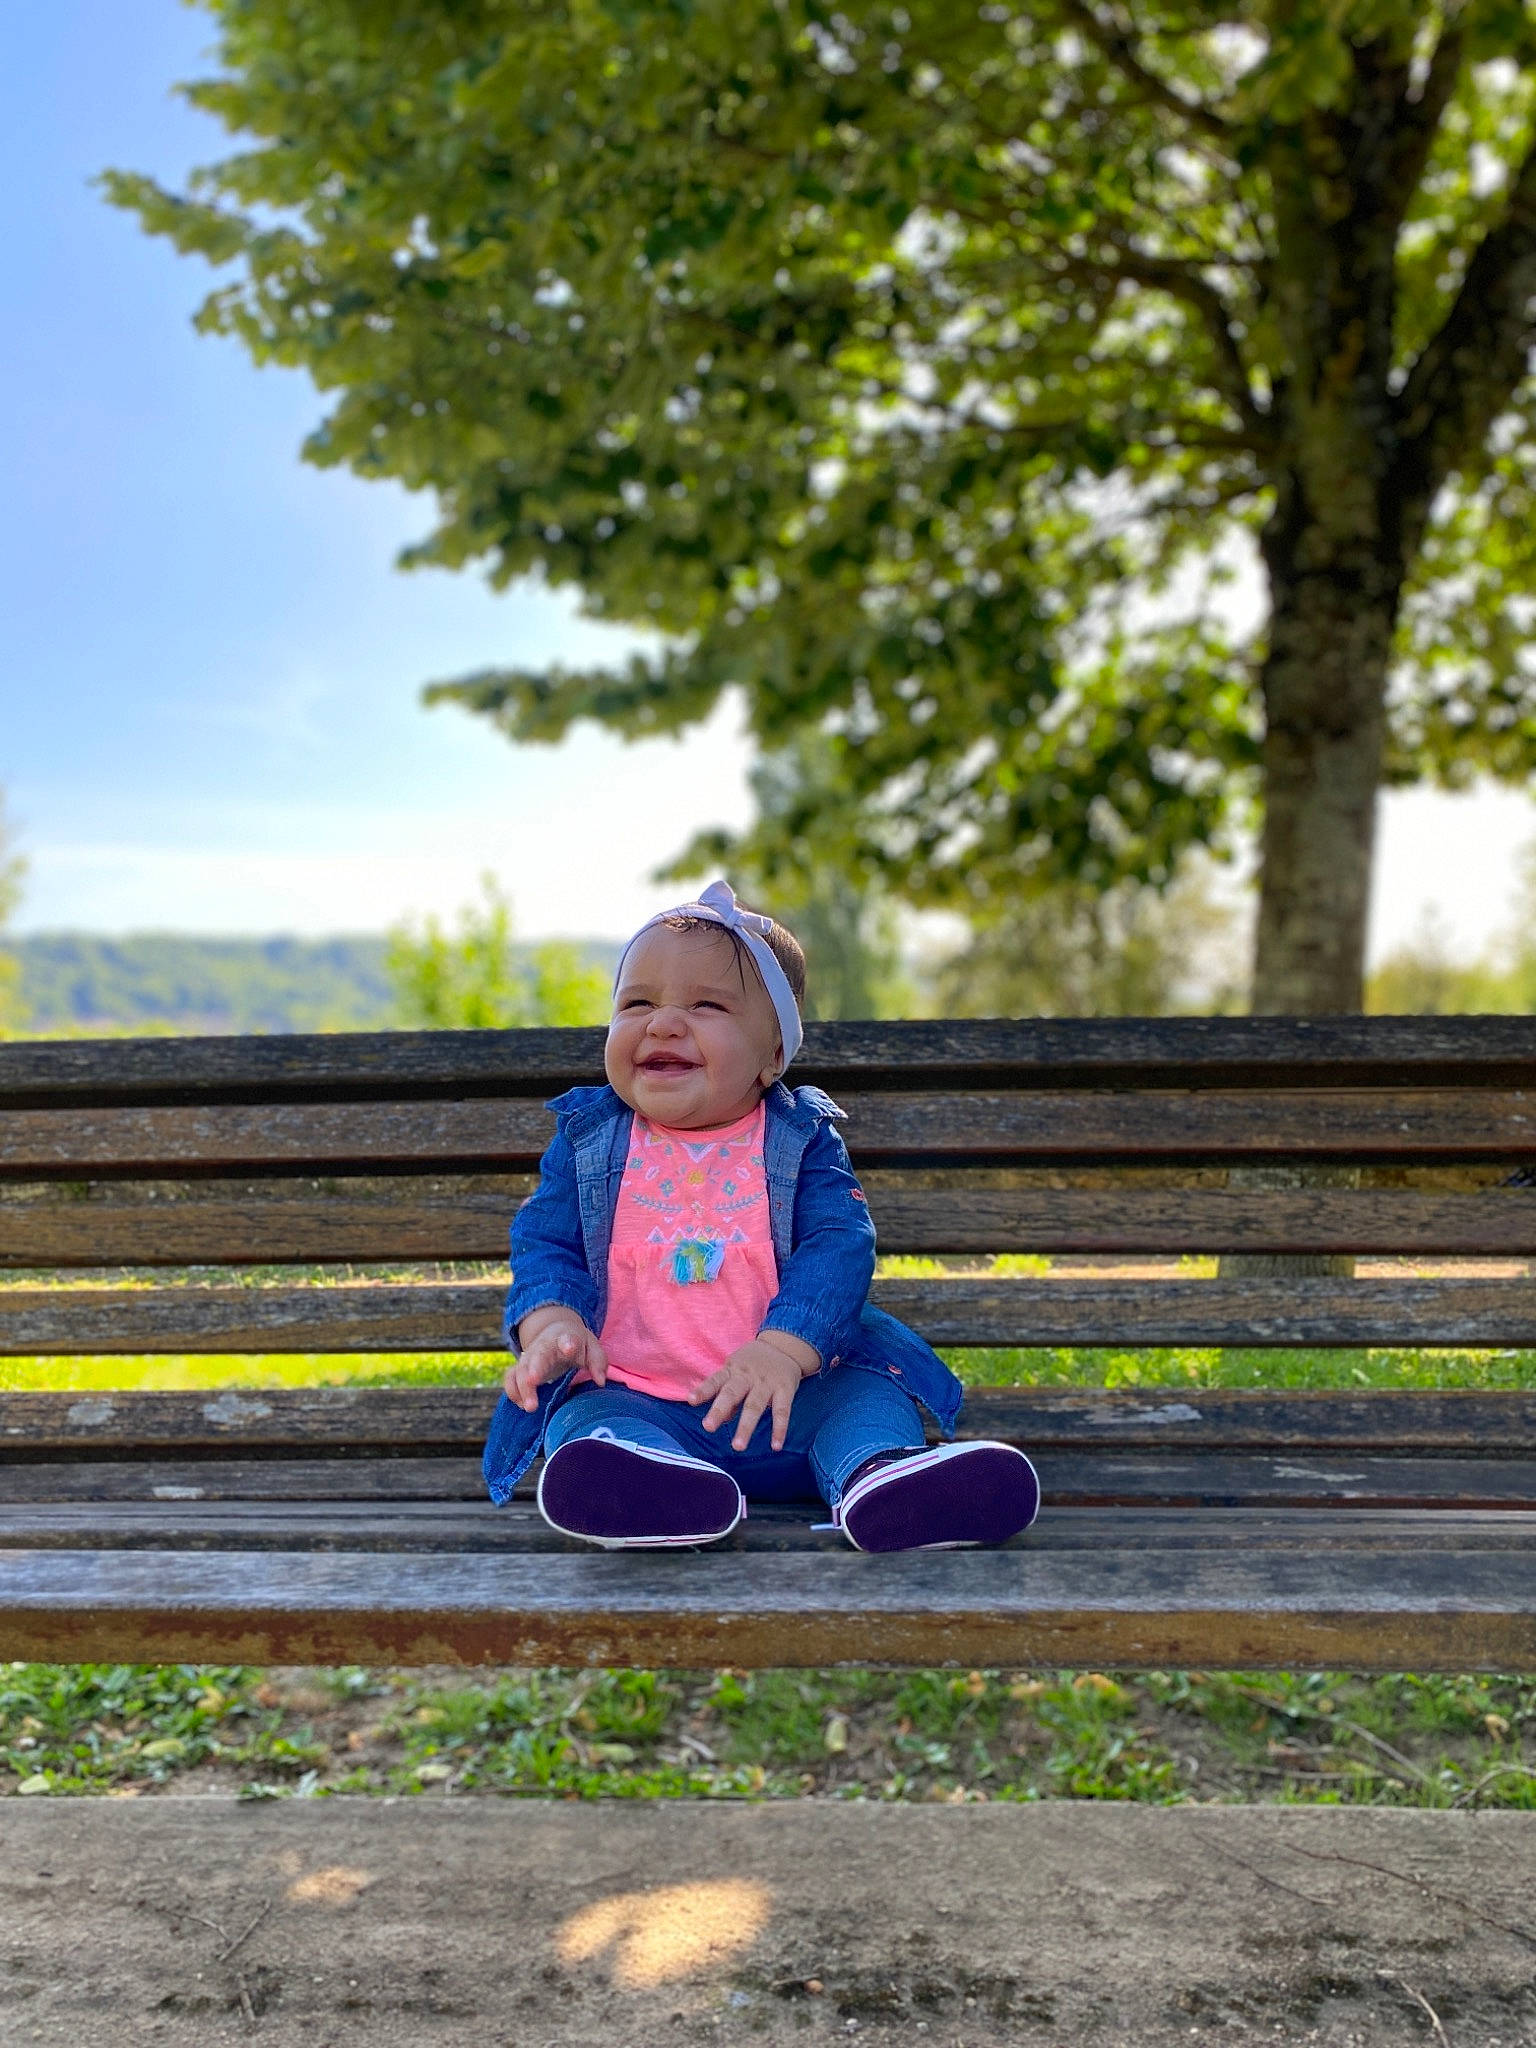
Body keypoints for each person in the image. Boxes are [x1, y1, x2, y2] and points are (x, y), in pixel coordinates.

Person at [482, 880, 1040, 1551]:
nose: (661, 1023)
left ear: (773, 1056)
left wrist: (782, 1351)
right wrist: (554, 1324)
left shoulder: (799, 1140)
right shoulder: (588, 1141)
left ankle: (880, 1482)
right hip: (643, 1396)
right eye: (637, 1003)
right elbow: (545, 1242)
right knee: (586, 1419)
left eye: (706, 1005)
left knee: (866, 1400)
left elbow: (839, 1243)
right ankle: (656, 1492)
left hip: (794, 1399)